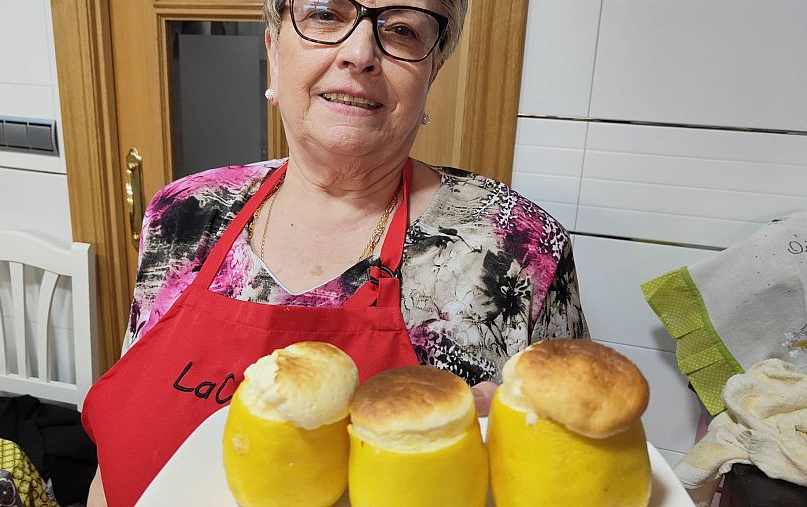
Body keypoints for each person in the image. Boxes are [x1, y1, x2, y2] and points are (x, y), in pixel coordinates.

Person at [84, 0, 588, 504]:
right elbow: (119, 453)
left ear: (432, 74)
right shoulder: (185, 213)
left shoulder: (514, 246)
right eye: (325, 14)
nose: (359, 52)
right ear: (273, 52)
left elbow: (572, 474)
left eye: (403, 30)